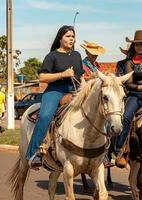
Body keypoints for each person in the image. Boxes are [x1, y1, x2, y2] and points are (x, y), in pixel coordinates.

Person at [26, 25, 84, 169]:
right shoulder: (52, 56)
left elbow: (80, 76)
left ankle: (102, 152)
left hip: (74, 90)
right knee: (45, 116)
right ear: (60, 38)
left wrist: (85, 89)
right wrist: (62, 74)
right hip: (55, 90)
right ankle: (32, 155)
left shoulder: (77, 55)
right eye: (68, 36)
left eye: (73, 36)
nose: (71, 39)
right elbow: (42, 77)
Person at [80, 41, 114, 169]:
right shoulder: (82, 65)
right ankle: (103, 156)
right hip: (87, 97)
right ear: (87, 52)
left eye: (96, 55)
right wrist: (93, 77)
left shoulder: (97, 65)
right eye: (92, 54)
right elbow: (80, 81)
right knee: (103, 124)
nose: (94, 56)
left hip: (97, 98)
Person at [115, 30, 142, 168]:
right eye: (137, 44)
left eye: (141, 44)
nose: (139, 47)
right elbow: (129, 84)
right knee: (126, 117)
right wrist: (140, 87)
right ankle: (120, 150)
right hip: (135, 95)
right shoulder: (129, 63)